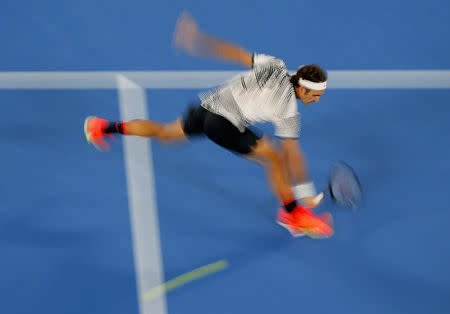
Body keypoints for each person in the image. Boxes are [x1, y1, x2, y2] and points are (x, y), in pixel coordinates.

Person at [84, 12, 333, 238]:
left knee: (165, 133)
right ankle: (291, 215)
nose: (317, 99)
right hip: (223, 123)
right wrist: (304, 190)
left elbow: (235, 53)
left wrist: (197, 39)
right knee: (275, 158)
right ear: (301, 88)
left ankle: (102, 127)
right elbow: (292, 153)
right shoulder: (288, 108)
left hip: (206, 109)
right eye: (315, 95)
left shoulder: (274, 64)